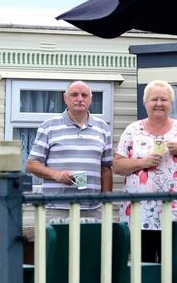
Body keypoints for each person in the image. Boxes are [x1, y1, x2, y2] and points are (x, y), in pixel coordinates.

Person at [113, 80, 177, 261]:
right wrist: (142, 163)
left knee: (173, 266)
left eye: (164, 99)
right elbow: (117, 166)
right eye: (154, 99)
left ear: (171, 103)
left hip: (174, 214)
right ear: (145, 103)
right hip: (139, 213)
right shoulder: (133, 130)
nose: (159, 104)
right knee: (142, 267)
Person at [26, 81, 113, 221]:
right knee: (58, 243)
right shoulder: (49, 126)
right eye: (74, 95)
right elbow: (32, 164)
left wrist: (106, 203)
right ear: (65, 98)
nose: (80, 99)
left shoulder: (102, 128)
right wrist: (56, 174)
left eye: (84, 95)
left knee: (93, 244)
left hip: (93, 209)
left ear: (90, 99)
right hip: (57, 208)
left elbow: (106, 169)